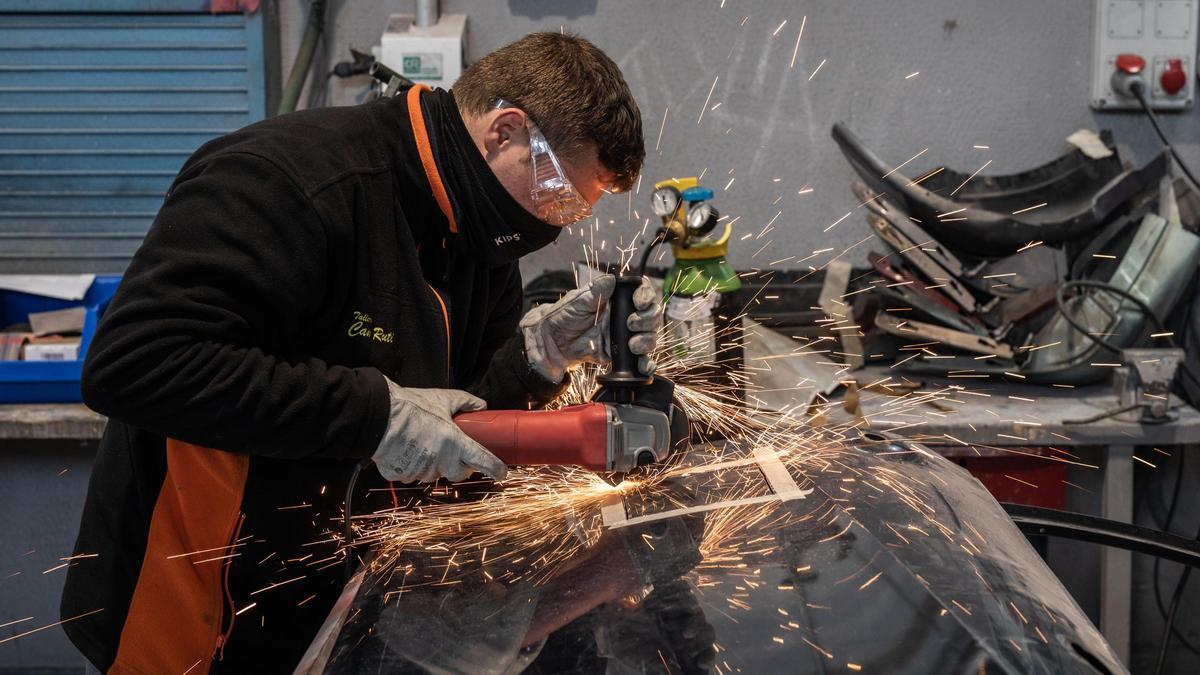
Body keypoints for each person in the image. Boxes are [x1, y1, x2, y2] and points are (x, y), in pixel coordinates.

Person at [60, 32, 658, 674]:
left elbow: (457, 419)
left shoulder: (480, 237)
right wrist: (375, 415)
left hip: (343, 604)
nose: (558, 222)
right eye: (562, 197)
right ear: (505, 131)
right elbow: (135, 362)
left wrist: (536, 359)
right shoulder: (288, 181)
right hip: (200, 600)